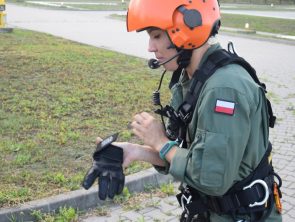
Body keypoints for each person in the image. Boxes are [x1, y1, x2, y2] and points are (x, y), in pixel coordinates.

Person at [85, 0, 283, 221]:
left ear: (188, 29)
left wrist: (160, 142)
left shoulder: (223, 89)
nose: (150, 47)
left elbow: (210, 178)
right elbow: (190, 155)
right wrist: (135, 151)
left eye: (156, 35)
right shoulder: (192, 79)